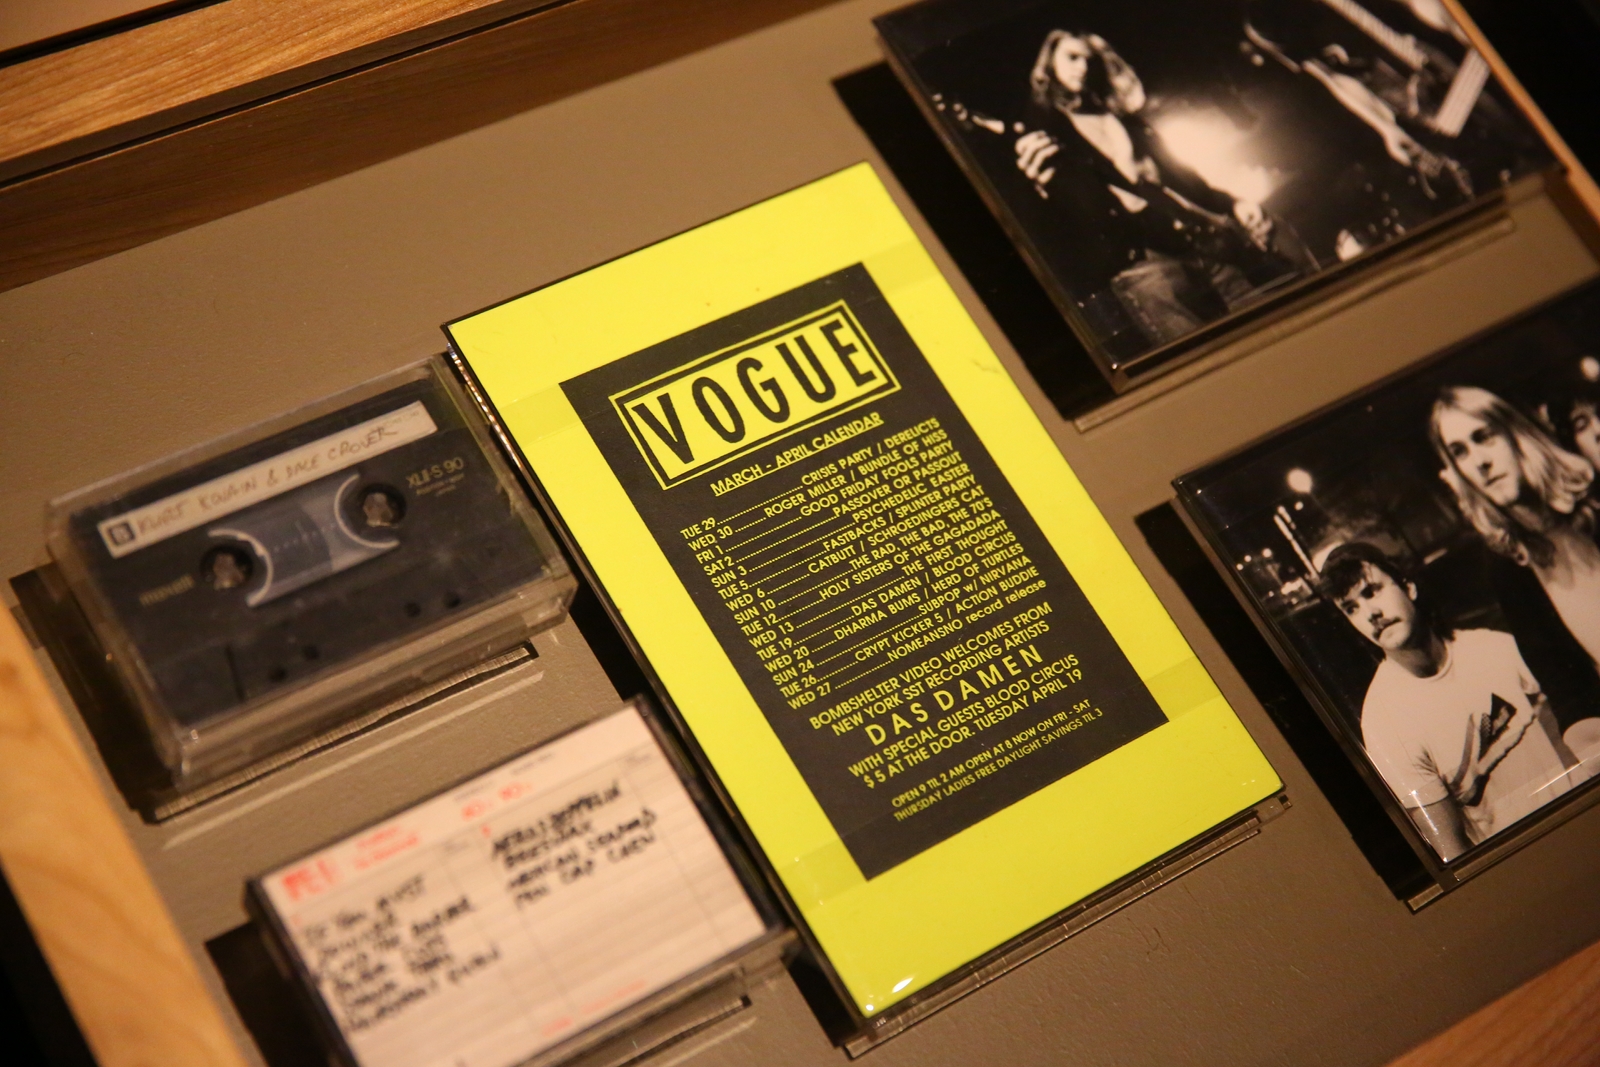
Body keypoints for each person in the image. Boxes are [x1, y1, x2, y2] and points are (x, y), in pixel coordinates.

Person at [1007, 30, 1308, 351]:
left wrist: (1232, 203)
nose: (1081, 66)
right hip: (1143, 267)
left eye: (1088, 60)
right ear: (1049, 64)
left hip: (1197, 244)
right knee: (1201, 358)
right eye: (1071, 57)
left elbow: (1184, 180)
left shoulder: (1124, 120)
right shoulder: (1045, 129)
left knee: (1269, 338)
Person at [1319, 542, 1577, 859]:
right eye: (1351, 608)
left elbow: (1577, 711)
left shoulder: (1493, 647)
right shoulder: (1383, 722)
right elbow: (1452, 851)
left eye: (1372, 591)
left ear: (1408, 588)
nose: (1370, 614)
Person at [1430, 385, 1600, 736]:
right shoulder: (1506, 564)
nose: (1479, 462)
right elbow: (1568, 694)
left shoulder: (1594, 502)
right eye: (1460, 452)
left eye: (1484, 437)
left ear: (1516, 433)